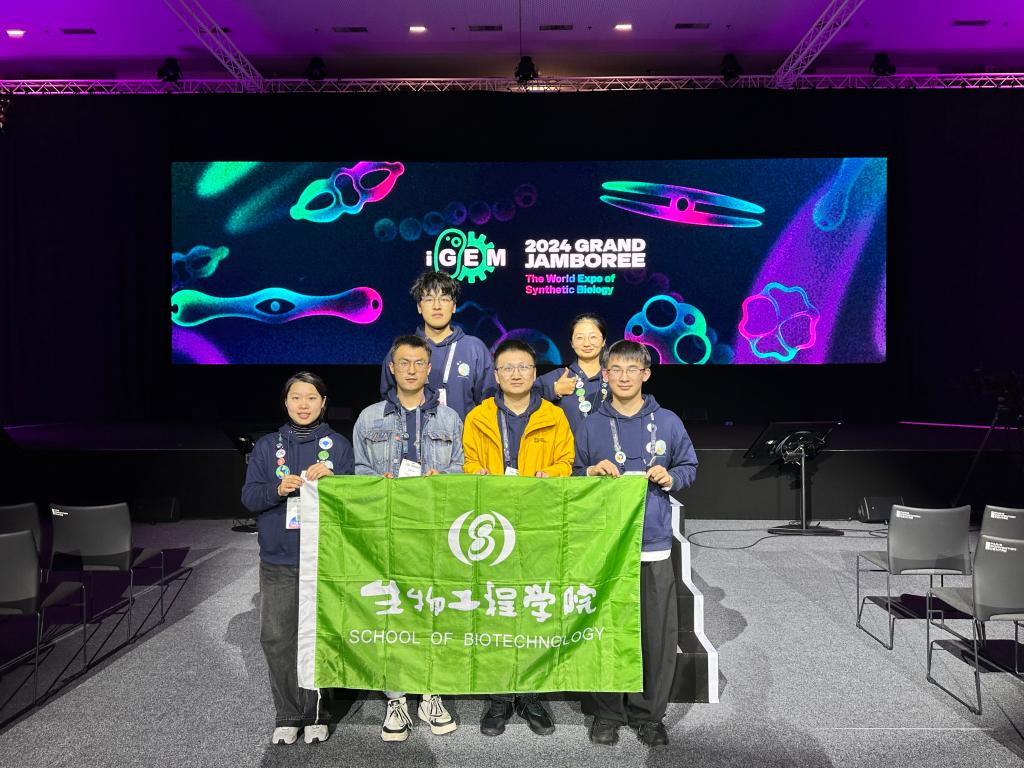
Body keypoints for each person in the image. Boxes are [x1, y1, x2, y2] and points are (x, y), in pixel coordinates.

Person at [572, 341, 698, 748]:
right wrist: (590, 472)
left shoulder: (668, 421)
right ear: (605, 375)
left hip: (652, 543)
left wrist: (671, 477)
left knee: (655, 634)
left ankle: (649, 714)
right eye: (616, 369)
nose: (624, 376)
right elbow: (571, 473)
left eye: (632, 369)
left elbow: (689, 466)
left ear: (646, 374)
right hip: (605, 545)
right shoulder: (590, 424)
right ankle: (606, 711)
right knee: (604, 628)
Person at [353, 334, 464, 742]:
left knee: (433, 609)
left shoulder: (449, 419)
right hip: (389, 527)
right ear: (392, 368)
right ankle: (396, 698)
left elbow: (461, 469)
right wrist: (377, 481)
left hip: (434, 528)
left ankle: (430, 693)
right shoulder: (369, 417)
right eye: (404, 362)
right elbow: (359, 471)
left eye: (419, 363)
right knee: (392, 612)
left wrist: (442, 477)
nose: (412, 369)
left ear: (429, 369)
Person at [462, 339, 574, 737]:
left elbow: (566, 462)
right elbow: (468, 461)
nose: (515, 374)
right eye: (507, 368)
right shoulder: (477, 417)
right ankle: (498, 698)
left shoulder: (553, 416)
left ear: (534, 373)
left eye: (523, 367)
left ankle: (530, 695)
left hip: (536, 522)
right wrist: (476, 474)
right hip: (491, 525)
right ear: (496, 375)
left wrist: (551, 475)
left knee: (533, 609)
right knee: (494, 609)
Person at [241, 371, 355, 746]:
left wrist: (335, 480)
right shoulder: (266, 446)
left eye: (311, 398)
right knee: (277, 638)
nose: (303, 405)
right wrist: (277, 488)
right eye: (296, 397)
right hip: (279, 558)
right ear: (285, 402)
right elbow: (249, 498)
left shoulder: (338, 446)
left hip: (324, 559)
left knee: (320, 637)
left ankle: (317, 712)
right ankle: (288, 714)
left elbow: (355, 502)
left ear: (323, 403)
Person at [380, 269, 495, 421]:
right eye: (429, 299)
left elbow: (489, 405)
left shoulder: (475, 349)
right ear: (419, 307)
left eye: (444, 299)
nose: (437, 306)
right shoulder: (402, 350)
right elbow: (388, 399)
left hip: (464, 435)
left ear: (454, 306)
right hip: (412, 434)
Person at [538, 313, 609, 435]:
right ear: (571, 343)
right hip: (567, 447)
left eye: (593, 337)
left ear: (603, 341)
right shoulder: (559, 376)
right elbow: (520, 399)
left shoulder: (615, 377)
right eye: (580, 338)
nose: (587, 343)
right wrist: (554, 390)